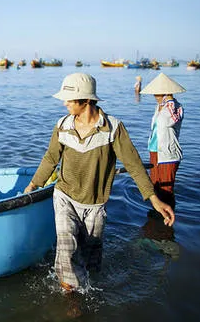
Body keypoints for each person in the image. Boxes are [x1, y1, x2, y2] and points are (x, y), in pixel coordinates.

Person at [24, 73, 175, 293]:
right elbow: (50, 158)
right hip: (64, 196)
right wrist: (32, 186)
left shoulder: (113, 129)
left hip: (95, 204)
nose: (64, 103)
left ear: (86, 100)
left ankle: (85, 286)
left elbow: (133, 164)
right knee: (65, 249)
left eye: (69, 99)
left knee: (90, 256)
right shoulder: (63, 126)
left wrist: (154, 199)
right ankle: (70, 296)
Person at [140, 72, 185, 210]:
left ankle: (169, 215)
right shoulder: (159, 107)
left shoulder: (175, 107)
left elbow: (170, 121)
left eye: (157, 94)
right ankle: (157, 213)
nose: (155, 97)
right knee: (155, 184)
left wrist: (170, 100)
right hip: (155, 150)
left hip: (168, 153)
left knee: (166, 187)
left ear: (165, 93)